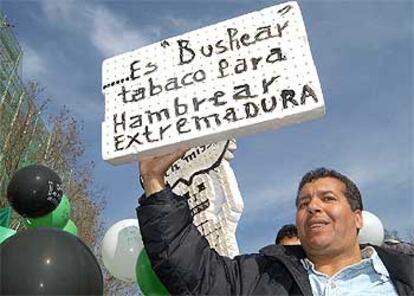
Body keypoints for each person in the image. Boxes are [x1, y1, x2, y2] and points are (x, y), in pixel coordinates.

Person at [137, 150, 414, 295]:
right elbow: (195, 273)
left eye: (327, 198)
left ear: (357, 217)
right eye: (303, 203)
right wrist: (154, 183)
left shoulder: (406, 271)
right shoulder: (260, 277)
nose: (313, 207)